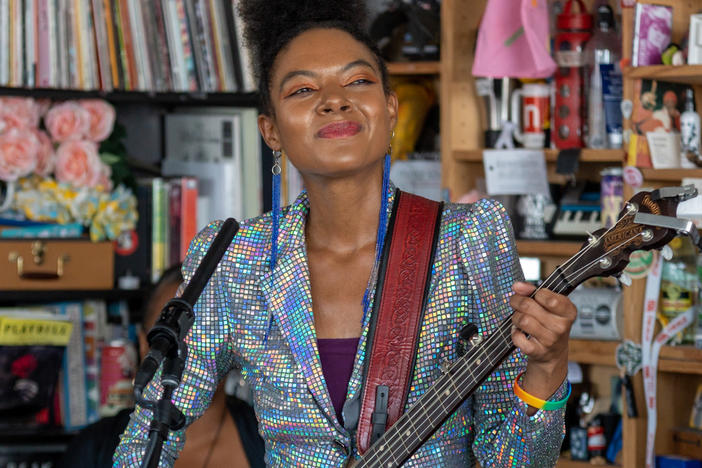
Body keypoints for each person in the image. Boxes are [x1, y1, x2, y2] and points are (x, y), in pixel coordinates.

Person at [114, 0, 577, 466]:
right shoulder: (235, 259)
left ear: (391, 109)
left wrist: (548, 365)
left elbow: (516, 462)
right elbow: (149, 434)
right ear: (270, 130)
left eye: (358, 81)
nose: (334, 99)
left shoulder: (468, 240)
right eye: (302, 89)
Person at [58, 265, 264, 468]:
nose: (187, 351)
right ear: (142, 345)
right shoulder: (93, 449)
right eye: (172, 332)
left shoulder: (273, 442)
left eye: (208, 333)